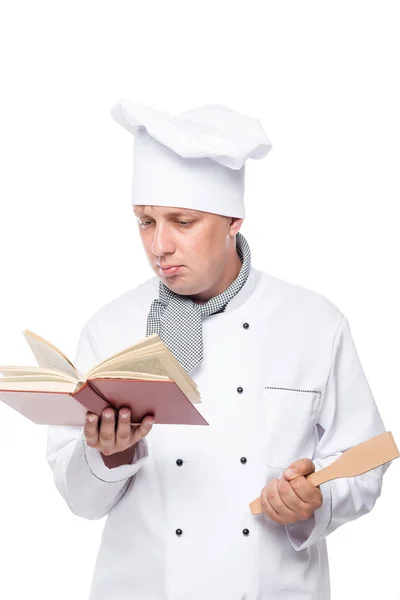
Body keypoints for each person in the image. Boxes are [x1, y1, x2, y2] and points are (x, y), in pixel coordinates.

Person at [46, 100, 390, 600]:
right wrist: (109, 455)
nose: (159, 245)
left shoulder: (315, 323)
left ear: (233, 220)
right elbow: (79, 501)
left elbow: (366, 457)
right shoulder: (110, 328)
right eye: (146, 221)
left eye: (181, 221)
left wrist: (320, 495)